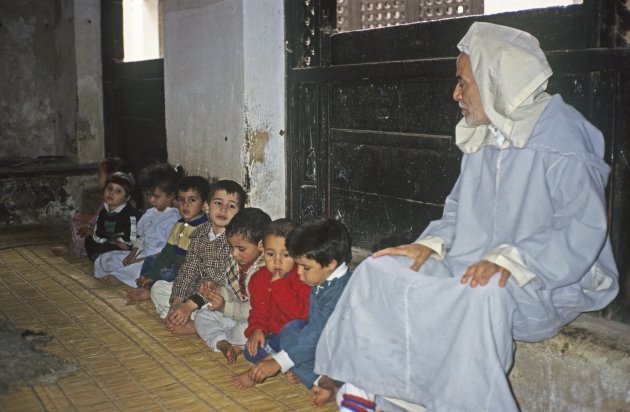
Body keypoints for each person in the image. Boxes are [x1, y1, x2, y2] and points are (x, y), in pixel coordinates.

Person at [313, 22, 619, 412]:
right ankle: (371, 389)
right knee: (381, 269)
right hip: (471, 260)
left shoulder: (564, 138)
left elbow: (580, 228)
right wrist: (427, 244)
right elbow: (457, 212)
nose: (455, 93)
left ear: (498, 82)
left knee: (482, 293)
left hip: (542, 278)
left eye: (463, 83)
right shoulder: (486, 134)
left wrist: (510, 258)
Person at [247, 217, 352, 405]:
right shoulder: (322, 279)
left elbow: (316, 333)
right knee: (290, 333)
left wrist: (278, 362)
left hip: (347, 354)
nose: (299, 273)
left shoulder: (340, 292)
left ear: (330, 263)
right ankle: (324, 382)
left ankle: (337, 384)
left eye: (305, 267)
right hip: (324, 346)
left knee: (296, 342)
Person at [153, 180, 247, 335]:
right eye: (218, 203)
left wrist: (189, 305)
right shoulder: (199, 233)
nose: (223, 210)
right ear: (206, 207)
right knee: (159, 288)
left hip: (219, 293)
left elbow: (221, 278)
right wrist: (177, 301)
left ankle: (195, 323)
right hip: (195, 291)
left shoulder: (235, 240)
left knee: (219, 308)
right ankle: (179, 316)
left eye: (231, 206)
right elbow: (188, 270)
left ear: (239, 213)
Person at [231, 218, 311, 389]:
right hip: (275, 337)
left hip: (297, 335)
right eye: (270, 254)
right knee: (251, 351)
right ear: (262, 248)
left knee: (296, 328)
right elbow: (258, 310)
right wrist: (258, 329)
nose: (277, 262)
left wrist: (279, 287)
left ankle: (273, 364)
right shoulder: (259, 278)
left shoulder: (303, 277)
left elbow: (300, 315)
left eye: (286, 255)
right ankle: (290, 362)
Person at [194, 208, 270, 362]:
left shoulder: (264, 270)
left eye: (241, 249)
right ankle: (223, 343)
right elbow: (229, 286)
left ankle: (225, 339)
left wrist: (224, 307)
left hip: (252, 319)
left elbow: (253, 310)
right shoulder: (234, 260)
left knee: (244, 330)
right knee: (203, 314)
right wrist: (216, 287)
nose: (234, 254)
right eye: (231, 247)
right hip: (233, 315)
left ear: (261, 245)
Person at [92, 163, 184, 286]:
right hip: (140, 254)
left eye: (156, 196)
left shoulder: (174, 219)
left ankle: (121, 277)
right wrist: (132, 254)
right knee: (106, 258)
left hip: (154, 260)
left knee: (141, 267)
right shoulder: (150, 213)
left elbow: (168, 253)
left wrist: (140, 260)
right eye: (148, 195)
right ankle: (123, 272)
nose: (151, 200)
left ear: (171, 196)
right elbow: (141, 238)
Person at [126, 176, 209, 301]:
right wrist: (151, 274)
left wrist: (168, 268)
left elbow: (196, 265)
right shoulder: (179, 225)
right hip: (175, 264)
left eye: (192, 200)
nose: (185, 205)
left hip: (190, 273)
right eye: (181, 200)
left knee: (167, 273)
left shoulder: (204, 229)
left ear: (204, 204)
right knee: (150, 260)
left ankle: (151, 291)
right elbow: (167, 252)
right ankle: (147, 283)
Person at [51, 157, 129, 257]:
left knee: (81, 241)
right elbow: (97, 218)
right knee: (76, 221)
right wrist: (87, 223)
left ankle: (72, 249)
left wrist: (92, 231)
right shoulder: (107, 199)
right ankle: (71, 246)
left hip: (108, 241)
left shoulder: (119, 204)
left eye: (100, 174)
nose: (97, 178)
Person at [84, 172, 142, 262]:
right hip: (110, 243)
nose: (111, 193)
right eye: (109, 188)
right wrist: (111, 241)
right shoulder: (103, 212)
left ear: (127, 198)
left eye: (118, 191)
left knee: (108, 248)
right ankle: (99, 261)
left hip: (126, 248)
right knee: (89, 240)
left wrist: (118, 242)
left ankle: (106, 261)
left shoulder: (131, 215)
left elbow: (133, 238)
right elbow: (99, 234)